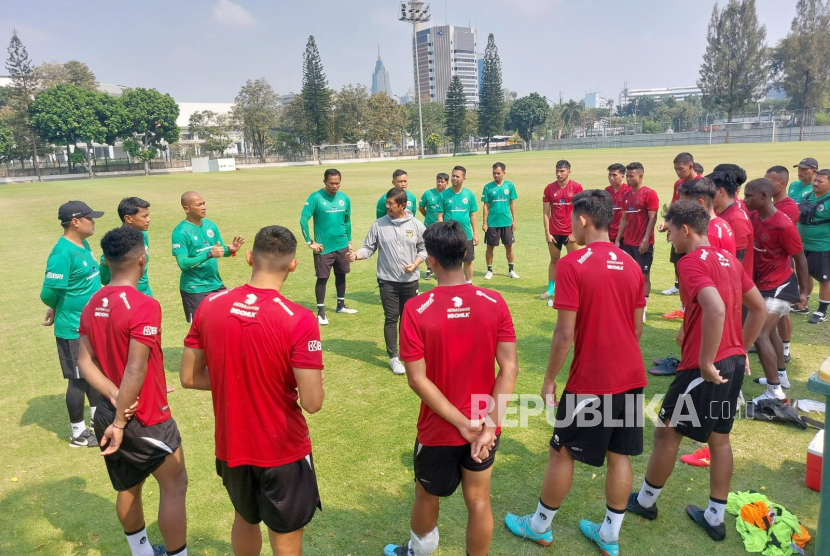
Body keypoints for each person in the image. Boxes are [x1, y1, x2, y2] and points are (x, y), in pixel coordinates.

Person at [504, 190, 647, 555]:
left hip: (591, 380)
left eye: (572, 218)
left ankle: (538, 526)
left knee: (562, 450)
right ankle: (610, 535)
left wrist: (549, 378)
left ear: (583, 219)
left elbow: (565, 333)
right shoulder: (630, 264)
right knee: (620, 455)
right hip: (631, 375)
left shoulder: (572, 265)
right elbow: (637, 327)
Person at [627, 200, 766, 543]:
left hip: (704, 368)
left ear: (685, 230)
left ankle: (645, 502)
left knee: (666, 433)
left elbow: (715, 308)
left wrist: (705, 361)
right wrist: (741, 350)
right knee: (720, 439)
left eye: (671, 231)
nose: (670, 238)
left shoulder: (690, 263)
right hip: (731, 364)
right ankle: (714, 517)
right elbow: (759, 309)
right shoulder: (730, 260)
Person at [181, 225, 325, 556]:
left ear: (249, 258)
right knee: (285, 535)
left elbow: (188, 377)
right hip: (282, 449)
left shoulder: (210, 305)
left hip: (232, 446)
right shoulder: (299, 319)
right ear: (293, 265)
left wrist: (234, 379)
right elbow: (313, 402)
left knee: (244, 519)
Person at [383, 220, 518, 556]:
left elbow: (417, 378)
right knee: (479, 500)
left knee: (427, 495)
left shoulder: (416, 308)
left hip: (439, 428)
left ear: (431, 260)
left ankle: (419, 550)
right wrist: (488, 425)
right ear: (464, 253)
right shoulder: (494, 300)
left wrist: (461, 423)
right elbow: (510, 368)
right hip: (484, 424)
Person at [78, 226, 188, 556]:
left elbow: (84, 363)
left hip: (107, 413)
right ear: (143, 259)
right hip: (146, 417)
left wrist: (113, 399)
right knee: (174, 485)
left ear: (107, 261)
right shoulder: (144, 305)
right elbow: (135, 368)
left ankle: (141, 552)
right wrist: (123, 420)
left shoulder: (91, 303)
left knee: (129, 485)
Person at [41, 201, 104, 448]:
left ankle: (99, 421)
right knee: (78, 379)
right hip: (72, 328)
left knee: (94, 372)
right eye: (90, 218)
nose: (94, 221)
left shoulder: (83, 243)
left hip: (90, 324)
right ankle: (78, 434)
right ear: (75, 222)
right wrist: (57, 307)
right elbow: (48, 292)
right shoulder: (62, 252)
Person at [743, 179, 810, 399]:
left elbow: (799, 259)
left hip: (781, 286)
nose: (746, 199)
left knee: (759, 333)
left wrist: (802, 293)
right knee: (769, 333)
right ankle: (781, 376)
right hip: (762, 285)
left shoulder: (783, 225)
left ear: (764, 196)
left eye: (750, 195)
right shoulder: (753, 216)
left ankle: (775, 392)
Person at [349, 188, 427, 375]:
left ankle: (408, 353)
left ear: (402, 205)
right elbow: (368, 248)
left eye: (391, 203)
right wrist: (356, 255)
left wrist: (415, 263)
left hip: (410, 281)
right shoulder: (379, 225)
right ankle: (394, 357)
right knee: (391, 318)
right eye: (387, 203)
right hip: (387, 282)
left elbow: (425, 249)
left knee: (408, 320)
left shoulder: (416, 225)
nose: (387, 206)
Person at [172, 191, 244, 323]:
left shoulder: (211, 225)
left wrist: (230, 250)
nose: (204, 207)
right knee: (201, 330)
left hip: (215, 284)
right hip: (195, 288)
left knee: (225, 323)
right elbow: (183, 264)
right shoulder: (180, 232)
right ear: (186, 209)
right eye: (199, 205)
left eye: (204, 203)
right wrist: (209, 254)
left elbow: (220, 250)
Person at [299, 168, 357, 326]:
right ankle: (321, 312)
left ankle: (341, 305)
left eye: (337, 183)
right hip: (323, 248)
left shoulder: (344, 198)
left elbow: (347, 221)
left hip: (342, 245)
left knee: (342, 275)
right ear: (324, 182)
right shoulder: (315, 198)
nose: (335, 186)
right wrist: (310, 242)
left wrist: (349, 241)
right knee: (322, 279)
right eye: (331, 183)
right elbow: (303, 220)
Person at [616, 162, 659, 320]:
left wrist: (646, 240)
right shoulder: (626, 195)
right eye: (627, 176)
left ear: (640, 176)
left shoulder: (649, 194)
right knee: (627, 274)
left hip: (642, 243)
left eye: (631, 176)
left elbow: (652, 218)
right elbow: (624, 219)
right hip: (628, 243)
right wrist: (618, 240)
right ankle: (629, 304)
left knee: (644, 275)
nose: (628, 179)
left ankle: (643, 307)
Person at [766, 166, 800, 354]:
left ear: (782, 183)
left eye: (770, 182)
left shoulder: (789, 207)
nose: (766, 185)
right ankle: (765, 339)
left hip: (781, 262)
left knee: (782, 310)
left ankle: (785, 348)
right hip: (765, 262)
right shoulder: (767, 202)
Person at [541, 160, 583, 305]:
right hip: (554, 232)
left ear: (569, 172)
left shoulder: (577, 188)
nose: (559, 174)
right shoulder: (549, 189)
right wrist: (548, 233)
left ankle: (575, 288)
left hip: (570, 233)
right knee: (554, 260)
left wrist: (575, 232)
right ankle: (551, 288)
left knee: (573, 262)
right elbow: (546, 213)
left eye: (562, 171)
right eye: (557, 171)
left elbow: (580, 211)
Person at [660, 152, 701, 298]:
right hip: (679, 232)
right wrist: (668, 223)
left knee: (694, 269)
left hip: (694, 234)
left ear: (691, 166)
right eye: (675, 169)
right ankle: (682, 300)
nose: (678, 172)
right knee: (679, 264)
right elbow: (674, 205)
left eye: (680, 169)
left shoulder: (702, 184)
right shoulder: (678, 184)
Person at [100, 197, 153, 297]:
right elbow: (104, 278)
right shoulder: (117, 242)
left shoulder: (143, 236)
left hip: (146, 295)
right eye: (144, 216)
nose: (148, 220)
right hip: (128, 298)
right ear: (128, 218)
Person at [797, 168, 830, 324]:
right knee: (805, 274)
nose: (815, 183)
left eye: (820, 181)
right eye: (815, 180)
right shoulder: (808, 195)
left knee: (825, 279)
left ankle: (822, 311)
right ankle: (803, 303)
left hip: (822, 247)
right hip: (803, 245)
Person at [437, 166, 479, 283]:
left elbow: (472, 215)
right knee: (451, 262)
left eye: (457, 176)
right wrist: (441, 232)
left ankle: (469, 282)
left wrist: (475, 233)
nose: (454, 178)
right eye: (453, 176)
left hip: (466, 235)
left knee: (468, 260)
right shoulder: (443, 195)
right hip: (449, 235)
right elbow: (440, 216)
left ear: (463, 179)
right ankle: (453, 283)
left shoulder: (469, 194)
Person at [678, 178, 736, 255]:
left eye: (684, 203)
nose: (681, 207)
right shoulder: (722, 223)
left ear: (700, 203)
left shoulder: (707, 234)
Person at [482, 162, 519, 280]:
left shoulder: (509, 186)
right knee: (490, 247)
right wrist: (484, 222)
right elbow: (486, 206)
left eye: (498, 173)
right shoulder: (488, 187)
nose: (496, 175)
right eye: (494, 173)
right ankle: (489, 270)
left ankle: (511, 270)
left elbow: (513, 203)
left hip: (506, 222)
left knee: (509, 246)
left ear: (504, 173)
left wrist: (514, 220)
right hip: (492, 223)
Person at [712, 171, 754, 276]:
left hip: (734, 286)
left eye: (709, 192)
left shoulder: (736, 219)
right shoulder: (722, 212)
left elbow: (736, 262)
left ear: (720, 191)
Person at [419, 173, 449, 279]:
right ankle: (429, 269)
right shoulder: (428, 194)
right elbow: (421, 207)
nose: (440, 183)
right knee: (427, 248)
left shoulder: (448, 194)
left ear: (447, 183)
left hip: (443, 227)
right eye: (438, 181)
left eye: (442, 182)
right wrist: (428, 216)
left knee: (442, 249)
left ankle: (440, 270)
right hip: (429, 226)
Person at [605, 163, 631, 244]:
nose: (611, 178)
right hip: (610, 232)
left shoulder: (628, 190)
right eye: (609, 175)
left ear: (622, 176)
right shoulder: (607, 190)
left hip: (625, 233)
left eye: (614, 175)